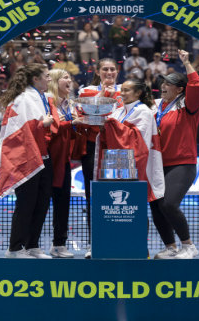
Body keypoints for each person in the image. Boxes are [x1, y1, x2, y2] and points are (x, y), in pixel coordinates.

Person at [0, 63, 58, 259]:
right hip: (27, 159)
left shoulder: (41, 97)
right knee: (26, 204)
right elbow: (17, 132)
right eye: (46, 76)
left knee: (42, 203)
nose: (49, 79)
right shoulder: (23, 99)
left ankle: (32, 245)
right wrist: (42, 124)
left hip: (43, 157)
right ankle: (14, 248)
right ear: (35, 79)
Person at [151, 49, 199, 260]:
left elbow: (198, 86)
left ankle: (188, 246)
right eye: (163, 82)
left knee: (169, 204)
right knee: (156, 206)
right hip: (158, 164)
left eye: (168, 83)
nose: (163, 86)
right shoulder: (156, 106)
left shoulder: (188, 106)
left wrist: (186, 62)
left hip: (182, 164)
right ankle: (171, 247)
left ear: (180, 89)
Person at [77, 58, 121, 258]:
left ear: (117, 71)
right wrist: (103, 94)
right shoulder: (86, 91)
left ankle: (118, 241)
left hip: (118, 148)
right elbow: (86, 112)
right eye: (105, 69)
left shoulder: (125, 91)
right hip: (93, 146)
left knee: (120, 196)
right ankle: (93, 244)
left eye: (112, 69)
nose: (109, 72)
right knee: (93, 195)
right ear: (98, 71)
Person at [95, 78, 164, 201]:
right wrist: (104, 128)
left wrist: (113, 125)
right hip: (115, 164)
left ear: (138, 93)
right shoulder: (118, 111)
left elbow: (139, 140)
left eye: (126, 90)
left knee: (133, 205)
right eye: (121, 90)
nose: (122, 93)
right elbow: (109, 136)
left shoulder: (144, 111)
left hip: (133, 166)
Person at [47, 69, 77, 258]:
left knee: (62, 203)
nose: (70, 80)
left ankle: (59, 244)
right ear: (55, 82)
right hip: (45, 159)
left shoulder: (70, 104)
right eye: (65, 77)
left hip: (63, 161)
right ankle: (27, 244)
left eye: (70, 77)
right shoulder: (46, 103)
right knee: (38, 204)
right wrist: (71, 123)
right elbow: (51, 128)